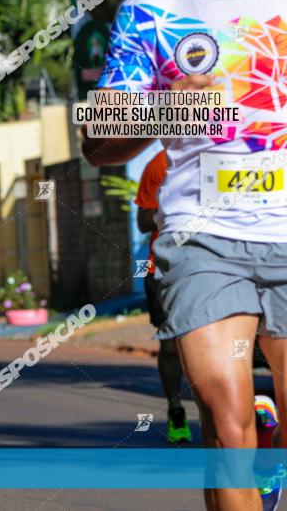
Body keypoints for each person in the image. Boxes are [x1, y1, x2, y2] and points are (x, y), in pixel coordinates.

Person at [84, 0, 287, 508]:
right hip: (203, 239)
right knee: (226, 429)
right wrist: (161, 109)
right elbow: (96, 144)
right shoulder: (149, 12)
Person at [135, 149, 192, 443]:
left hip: (210, 266)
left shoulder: (224, 155)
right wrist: (169, 208)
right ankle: (176, 410)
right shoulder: (157, 165)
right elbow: (143, 221)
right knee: (170, 345)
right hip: (163, 268)